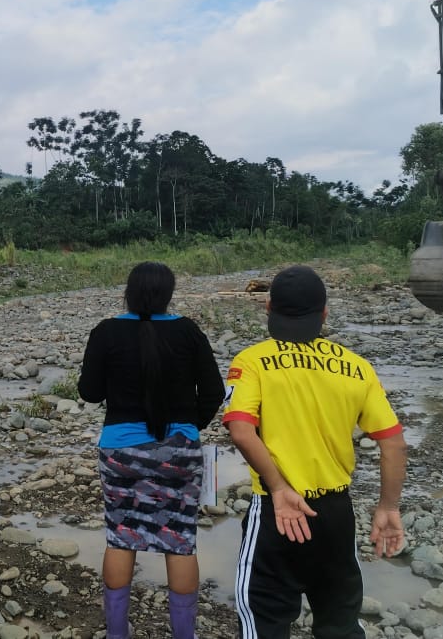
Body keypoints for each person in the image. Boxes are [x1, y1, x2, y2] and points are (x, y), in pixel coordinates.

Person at [222, 265, 407, 639]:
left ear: (268, 308)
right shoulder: (357, 367)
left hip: (277, 512)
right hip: (336, 515)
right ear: (324, 313)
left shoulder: (252, 361)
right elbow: (393, 443)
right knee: (340, 623)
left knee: (263, 620)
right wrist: (388, 506)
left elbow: (241, 431)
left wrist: (278, 487)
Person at [77, 262, 225, 639]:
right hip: (180, 451)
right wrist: (189, 427)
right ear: (168, 295)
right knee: (180, 539)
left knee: (121, 535)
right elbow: (213, 392)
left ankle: (117, 634)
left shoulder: (106, 332)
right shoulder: (188, 331)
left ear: (128, 292)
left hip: (120, 452)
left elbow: (89, 392)